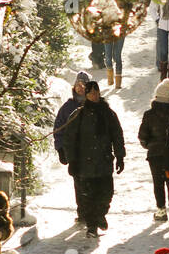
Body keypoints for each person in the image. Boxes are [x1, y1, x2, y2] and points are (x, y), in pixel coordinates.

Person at [60, 80, 125, 238]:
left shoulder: (108, 114)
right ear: (86, 95)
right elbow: (69, 139)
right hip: (85, 164)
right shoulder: (78, 114)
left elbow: (117, 136)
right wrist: (71, 160)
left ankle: (100, 215)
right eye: (91, 92)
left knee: (106, 193)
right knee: (88, 196)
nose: (94, 95)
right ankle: (92, 226)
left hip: (104, 161)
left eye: (96, 92)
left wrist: (120, 156)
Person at [54, 72, 92, 225]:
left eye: (83, 86)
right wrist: (61, 149)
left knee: (93, 183)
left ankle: (93, 212)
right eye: (78, 85)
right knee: (79, 183)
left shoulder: (97, 105)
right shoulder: (68, 107)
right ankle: (82, 212)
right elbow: (59, 128)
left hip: (93, 152)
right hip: (75, 153)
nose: (80, 88)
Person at [138, 78, 169, 221]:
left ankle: (161, 209)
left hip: (154, 155)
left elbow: (142, 135)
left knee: (158, 182)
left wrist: (149, 145)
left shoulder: (149, 114)